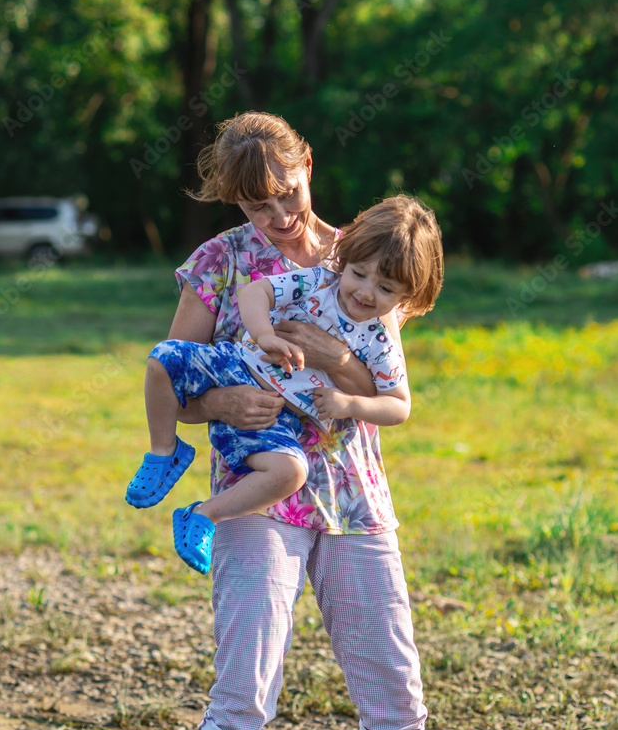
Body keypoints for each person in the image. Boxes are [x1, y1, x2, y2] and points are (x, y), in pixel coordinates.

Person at [161, 111, 447, 730]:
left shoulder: (367, 254)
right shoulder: (218, 265)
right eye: (256, 206)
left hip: (354, 497)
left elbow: (380, 390)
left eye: (285, 194)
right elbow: (176, 384)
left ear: (308, 167)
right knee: (245, 682)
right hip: (260, 492)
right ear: (235, 205)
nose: (278, 217)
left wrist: (329, 356)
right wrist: (223, 399)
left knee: (393, 683)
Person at [125, 197, 434, 577]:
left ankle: (204, 514)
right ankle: (164, 452)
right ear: (344, 261)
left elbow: (399, 405)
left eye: (386, 288)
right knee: (162, 359)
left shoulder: (377, 339)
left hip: (273, 419)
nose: (367, 292)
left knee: (290, 472)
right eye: (359, 274)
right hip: (234, 366)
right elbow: (254, 293)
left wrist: (349, 403)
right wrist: (265, 335)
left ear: (406, 297)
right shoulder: (318, 280)